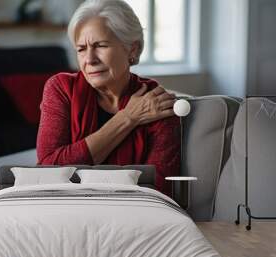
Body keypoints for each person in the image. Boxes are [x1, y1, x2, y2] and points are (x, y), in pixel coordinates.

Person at [36, 0, 180, 197]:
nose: (89, 59)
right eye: (81, 49)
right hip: (65, 211)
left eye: (100, 45)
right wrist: (127, 118)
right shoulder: (60, 88)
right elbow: (47, 171)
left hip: (131, 218)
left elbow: (160, 188)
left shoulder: (155, 102)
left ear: (133, 49)